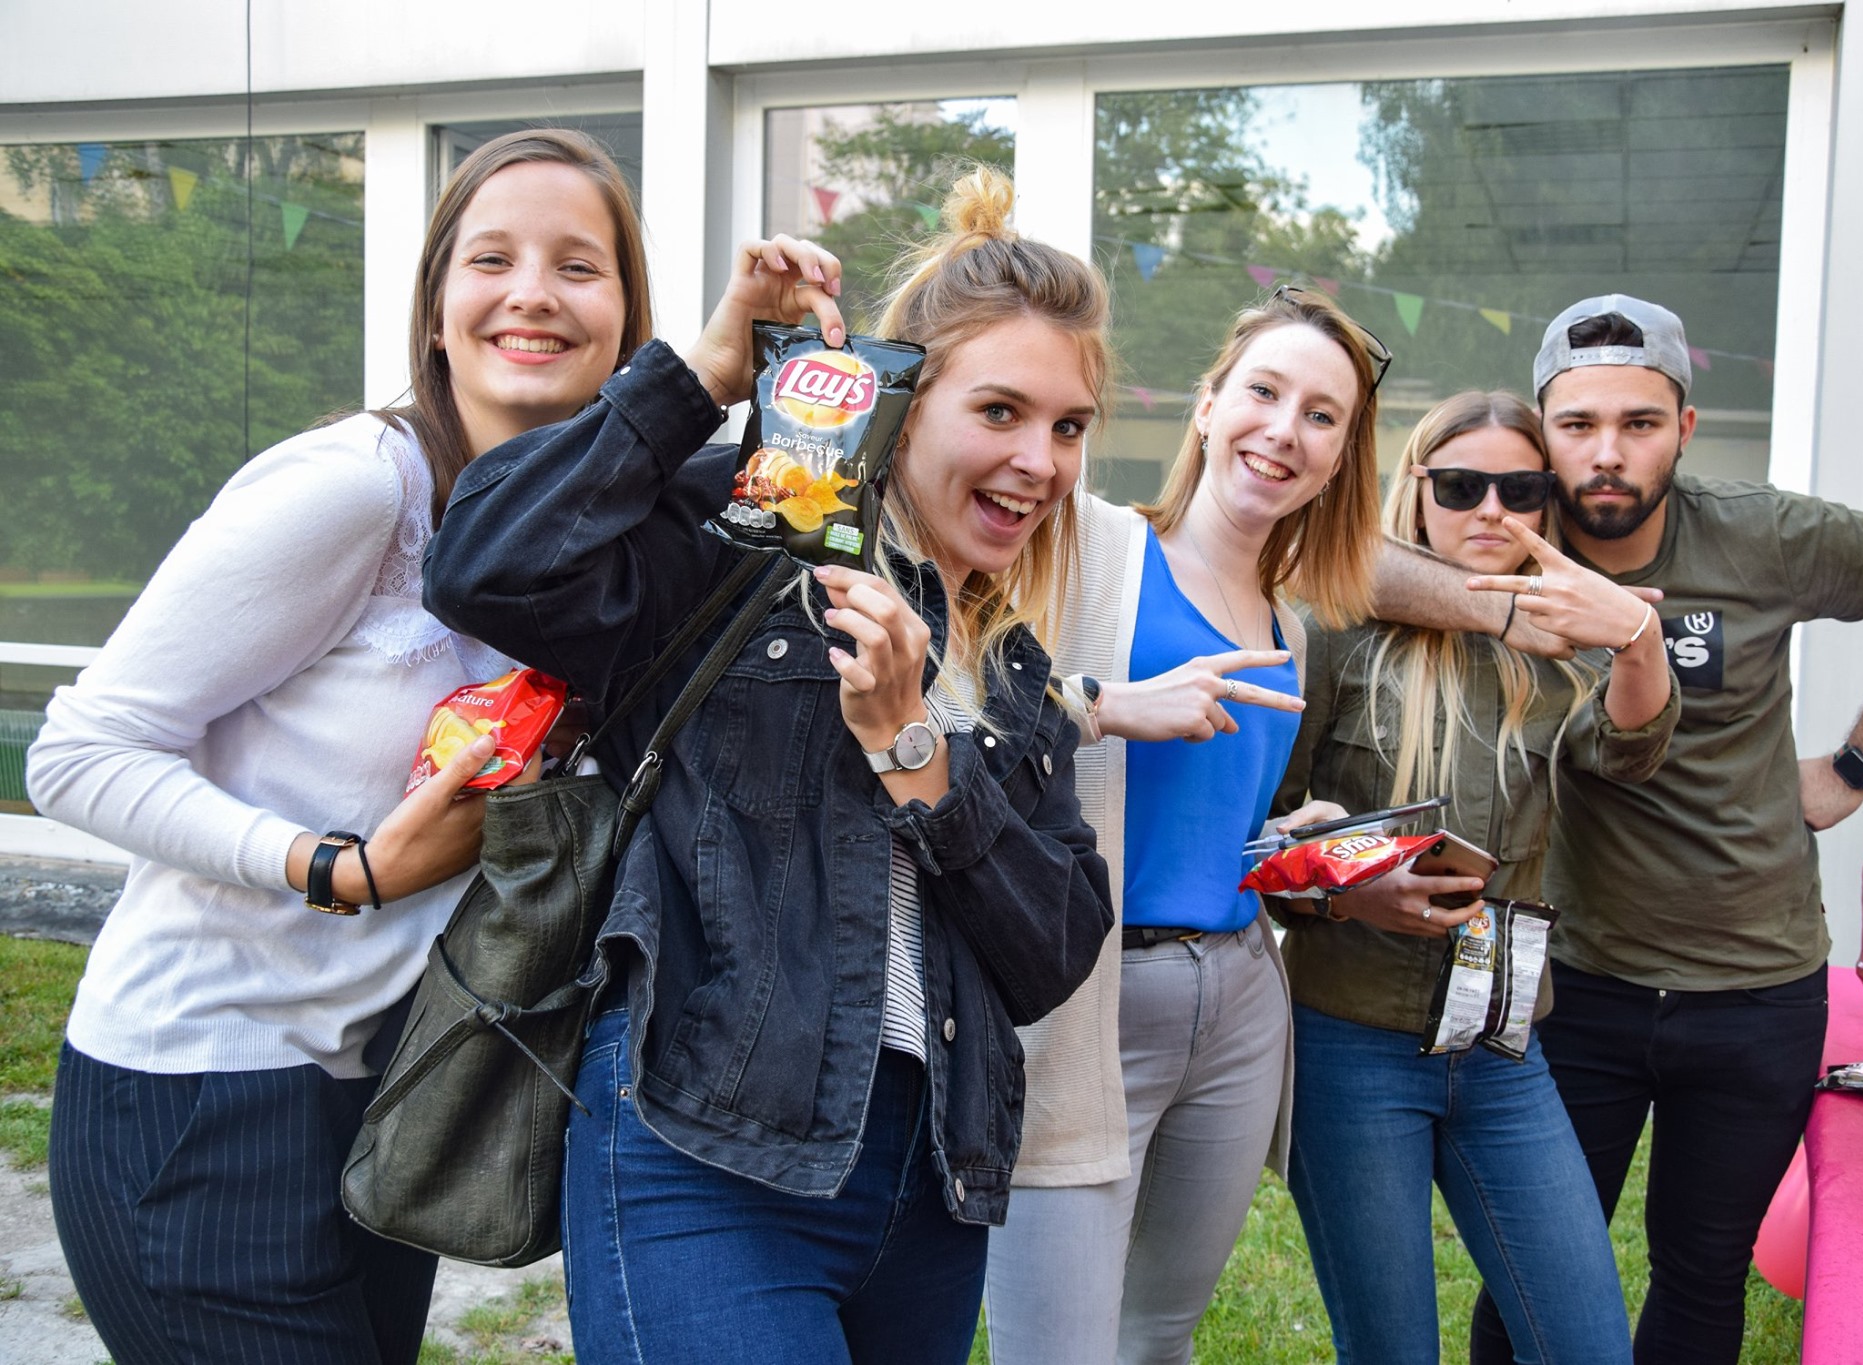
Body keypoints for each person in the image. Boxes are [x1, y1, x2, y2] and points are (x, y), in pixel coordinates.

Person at [421, 169, 1116, 1365]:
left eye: (1066, 428)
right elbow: (486, 563)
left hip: (928, 1184)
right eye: (998, 413)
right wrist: (702, 376)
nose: (1039, 463)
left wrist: (915, 748)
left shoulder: (1009, 664)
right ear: (904, 401)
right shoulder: (741, 551)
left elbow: (1050, 948)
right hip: (705, 1147)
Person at [26, 128, 651, 1362]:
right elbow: (81, 750)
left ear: (628, 323)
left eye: (579, 266)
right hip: (203, 1091)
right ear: (434, 310)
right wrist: (338, 867)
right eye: (492, 258)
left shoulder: (597, 543)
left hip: (392, 1096)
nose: (531, 291)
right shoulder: (360, 489)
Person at [1465, 295, 1863, 1365]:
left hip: (1754, 989)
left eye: (1639, 423)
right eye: (1576, 426)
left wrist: (1854, 768)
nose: (1605, 455)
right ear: (1541, 428)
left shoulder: (1764, 534)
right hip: (1578, 982)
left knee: (1700, 1270)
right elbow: (1363, 574)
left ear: (1684, 428)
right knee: (1528, 1265)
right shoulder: (1496, 543)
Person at [983, 284, 1383, 1365]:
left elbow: (1199, 828)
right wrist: (1107, 705)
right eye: (1262, 391)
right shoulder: (1089, 547)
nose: (1282, 431)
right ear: (1207, 406)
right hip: (1086, 1000)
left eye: (1319, 416)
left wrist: (1288, 840)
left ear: (1339, 458)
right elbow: (965, 702)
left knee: (1156, 1335)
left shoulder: (1288, 630)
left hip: (1239, 1000)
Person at [1274, 389, 1676, 1365]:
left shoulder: (1553, 644)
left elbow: (1625, 754)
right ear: (1416, 492)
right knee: (1390, 1348)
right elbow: (1264, 839)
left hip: (1502, 1048)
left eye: (1519, 488)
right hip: (1349, 1045)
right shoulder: (1332, 629)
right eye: (1459, 486)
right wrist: (1347, 882)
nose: (1490, 510)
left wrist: (1637, 639)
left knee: (1586, 1345)